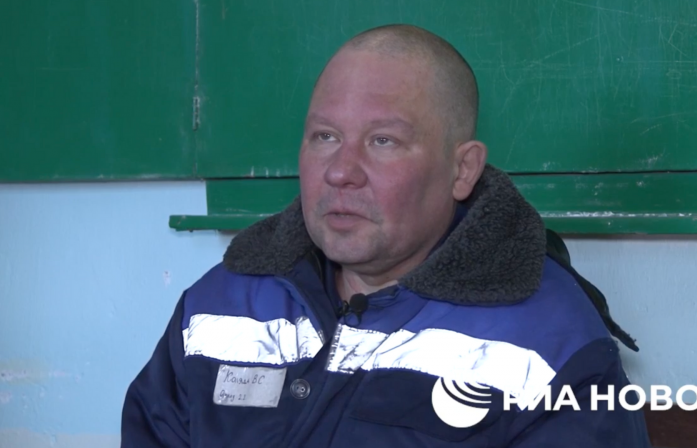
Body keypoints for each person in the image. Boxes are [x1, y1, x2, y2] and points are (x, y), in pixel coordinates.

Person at [121, 24, 651, 447]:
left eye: (383, 141)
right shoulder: (221, 305)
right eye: (325, 136)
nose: (340, 171)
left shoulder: (550, 341)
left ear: (462, 170)